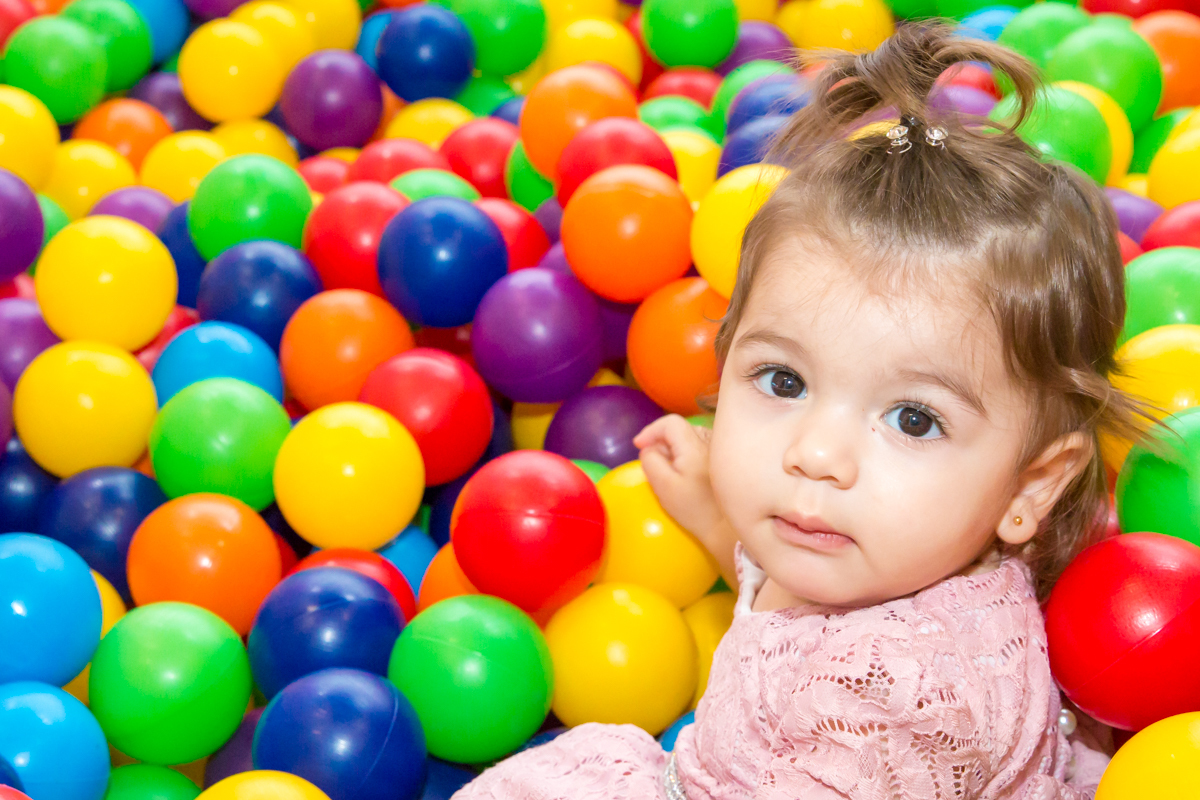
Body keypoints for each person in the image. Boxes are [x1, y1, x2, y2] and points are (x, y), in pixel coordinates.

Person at [453, 23, 1143, 800]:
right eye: (783, 381)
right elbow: (794, 605)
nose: (815, 454)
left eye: (913, 419)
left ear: (1031, 488)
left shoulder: (897, 715)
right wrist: (720, 523)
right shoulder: (882, 544)